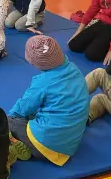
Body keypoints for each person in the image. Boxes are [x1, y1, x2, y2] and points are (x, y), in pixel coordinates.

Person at [8, 36, 89, 166]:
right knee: (39, 111)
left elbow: (22, 108)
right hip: (69, 145)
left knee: (6, 121)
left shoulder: (43, 82)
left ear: (33, 62)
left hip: (45, 144)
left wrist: (10, 118)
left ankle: (15, 144)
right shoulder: (75, 70)